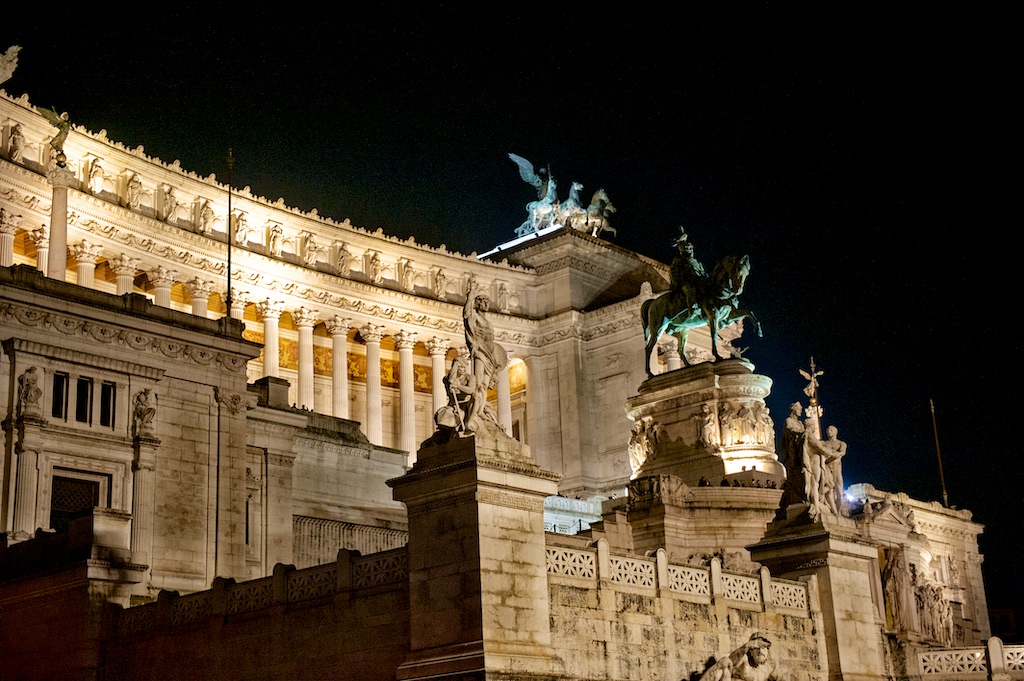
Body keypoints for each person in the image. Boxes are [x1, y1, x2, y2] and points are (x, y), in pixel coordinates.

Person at [462, 286, 507, 433]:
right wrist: (470, 298)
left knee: (486, 385)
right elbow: (467, 315)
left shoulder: (489, 322)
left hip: (490, 356)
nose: (486, 303)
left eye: (487, 301)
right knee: (479, 385)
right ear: (477, 303)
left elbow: (492, 342)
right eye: (482, 301)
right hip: (480, 353)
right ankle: (472, 416)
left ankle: (480, 410)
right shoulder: (475, 316)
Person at [669, 227, 707, 312]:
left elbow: (702, 273)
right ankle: (692, 309)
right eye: (687, 249)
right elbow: (673, 272)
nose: (690, 251)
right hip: (685, 283)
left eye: (690, 249)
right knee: (690, 290)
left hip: (698, 282)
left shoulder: (697, 262)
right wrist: (678, 283)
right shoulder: (679, 260)